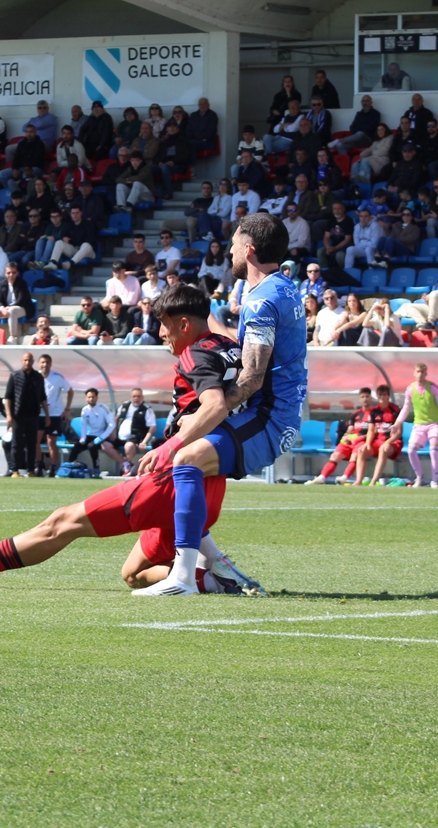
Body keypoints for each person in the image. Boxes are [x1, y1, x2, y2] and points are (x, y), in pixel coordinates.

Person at [0, 283, 260, 595]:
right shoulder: (225, 344)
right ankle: (216, 580)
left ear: (184, 324)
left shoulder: (193, 353)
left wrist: (169, 446)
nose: (162, 334)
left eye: (165, 326)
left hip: (174, 482)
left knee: (62, 522)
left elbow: (213, 405)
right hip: (208, 489)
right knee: (133, 574)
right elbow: (215, 337)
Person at [133, 214, 306, 597]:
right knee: (190, 461)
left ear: (248, 250)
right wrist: (208, 318)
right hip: (280, 410)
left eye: (232, 246)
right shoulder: (283, 288)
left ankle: (182, 577)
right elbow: (248, 350)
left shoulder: (261, 300)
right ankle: (213, 563)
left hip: (269, 416)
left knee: (185, 458)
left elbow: (253, 376)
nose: (228, 252)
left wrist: (206, 413)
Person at [306, 388, 377, 484]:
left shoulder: (376, 413)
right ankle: (321, 478)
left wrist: (361, 437)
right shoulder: (355, 414)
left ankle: (344, 477)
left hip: (364, 440)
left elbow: (375, 431)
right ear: (360, 399)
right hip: (352, 439)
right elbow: (350, 429)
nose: (365, 399)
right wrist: (346, 436)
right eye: (362, 397)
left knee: (355, 455)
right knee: (335, 455)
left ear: (371, 398)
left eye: (367, 396)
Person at [392, 362, 438, 487]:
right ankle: (419, 477)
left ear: (426, 374)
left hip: (433, 424)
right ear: (414, 373)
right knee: (411, 450)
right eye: (418, 372)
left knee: (433, 451)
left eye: (422, 372)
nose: (420, 374)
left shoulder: (433, 388)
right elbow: (406, 408)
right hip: (419, 425)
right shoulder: (410, 389)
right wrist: (397, 423)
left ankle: (434, 480)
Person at [3, 351, 46, 478]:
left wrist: (47, 415)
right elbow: (8, 397)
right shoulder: (15, 376)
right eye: (25, 360)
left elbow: (43, 397)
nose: (27, 362)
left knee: (32, 444)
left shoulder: (38, 377)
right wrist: (9, 415)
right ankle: (14, 470)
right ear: (22, 361)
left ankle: (30, 470)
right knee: (17, 443)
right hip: (18, 415)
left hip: (33, 415)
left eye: (30, 360)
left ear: (33, 362)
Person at [69, 388, 123, 475]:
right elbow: (84, 425)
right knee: (77, 446)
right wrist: (83, 437)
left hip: (102, 436)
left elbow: (111, 424)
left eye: (93, 397)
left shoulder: (103, 408)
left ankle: (96, 468)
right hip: (91, 434)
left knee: (92, 446)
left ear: (96, 397)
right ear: (86, 398)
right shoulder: (85, 410)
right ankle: (70, 466)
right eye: (89, 397)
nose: (91, 399)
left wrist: (100, 438)